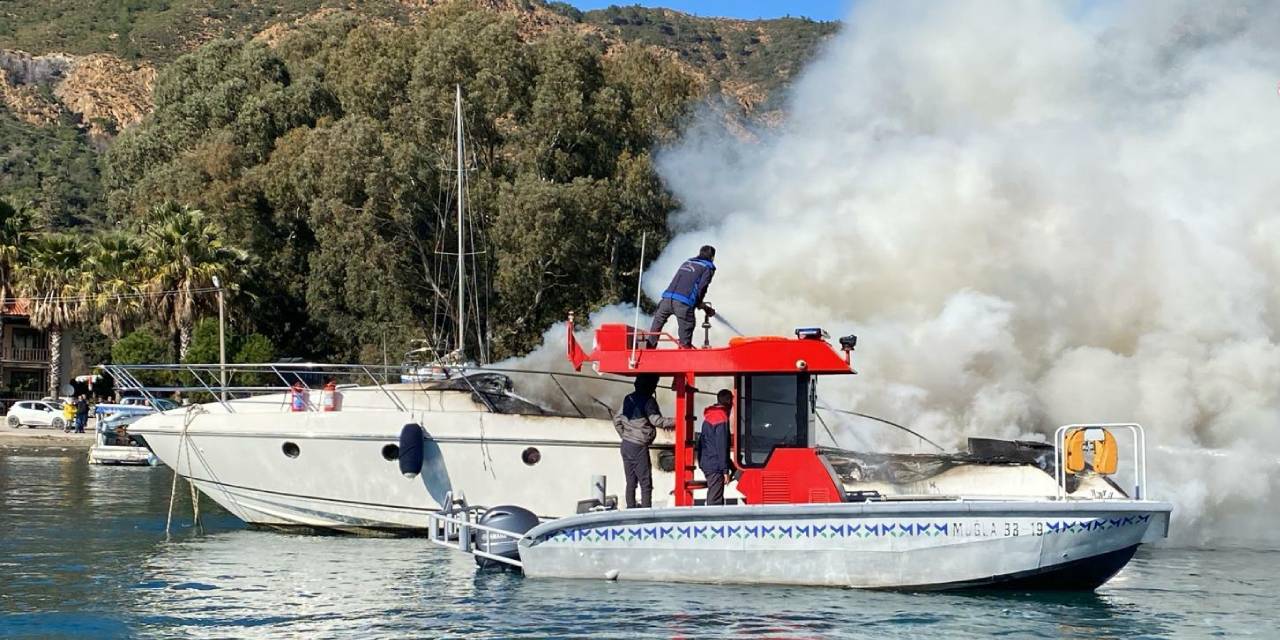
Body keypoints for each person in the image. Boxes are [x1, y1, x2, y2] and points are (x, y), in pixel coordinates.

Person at [613, 374, 675, 508]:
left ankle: (631, 508)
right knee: (645, 481)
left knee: (631, 481)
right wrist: (678, 420)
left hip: (626, 445)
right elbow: (656, 421)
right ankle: (646, 510)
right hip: (639, 446)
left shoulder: (628, 398)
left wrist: (625, 435)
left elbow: (617, 419)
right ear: (650, 386)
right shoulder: (648, 401)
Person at [648, 245, 716, 348]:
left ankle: (649, 349)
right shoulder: (707, 267)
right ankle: (684, 353)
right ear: (712, 257)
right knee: (687, 328)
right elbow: (702, 287)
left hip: (666, 299)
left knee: (656, 325)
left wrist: (702, 306)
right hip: (683, 304)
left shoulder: (687, 263)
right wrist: (699, 303)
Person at [697, 389, 734, 506]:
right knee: (715, 498)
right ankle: (712, 521)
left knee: (714, 494)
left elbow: (703, 442)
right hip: (715, 464)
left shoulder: (709, 416)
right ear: (729, 401)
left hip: (707, 461)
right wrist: (725, 470)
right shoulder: (721, 417)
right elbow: (722, 446)